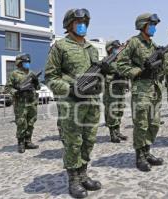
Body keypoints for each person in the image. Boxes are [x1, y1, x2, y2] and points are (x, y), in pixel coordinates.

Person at [45, 9, 102, 198]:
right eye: (78, 21)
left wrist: (106, 73)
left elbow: (99, 77)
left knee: (89, 140)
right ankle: (74, 180)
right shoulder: (60, 47)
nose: (82, 24)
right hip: (71, 104)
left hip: (92, 102)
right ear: (69, 24)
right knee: (73, 142)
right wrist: (69, 89)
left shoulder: (92, 49)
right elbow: (50, 77)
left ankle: (83, 173)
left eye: (85, 21)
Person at [116, 13, 164, 172]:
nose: (154, 27)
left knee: (154, 123)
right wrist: (137, 72)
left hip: (154, 88)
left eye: (155, 25)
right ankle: (140, 155)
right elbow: (121, 64)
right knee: (141, 124)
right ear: (142, 25)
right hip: (141, 90)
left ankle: (147, 150)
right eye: (151, 24)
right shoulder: (134, 43)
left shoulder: (153, 45)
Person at [5, 53, 40, 153]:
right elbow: (7, 88)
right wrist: (17, 91)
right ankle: (21, 143)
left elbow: (38, 88)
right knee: (21, 123)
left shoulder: (32, 73)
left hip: (32, 103)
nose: (27, 64)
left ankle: (28, 141)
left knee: (31, 122)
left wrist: (37, 82)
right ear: (19, 63)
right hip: (21, 103)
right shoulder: (14, 74)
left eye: (28, 62)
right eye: (25, 62)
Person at [103, 40, 128, 143]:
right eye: (115, 48)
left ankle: (117, 131)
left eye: (118, 48)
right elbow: (117, 70)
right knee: (112, 111)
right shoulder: (107, 61)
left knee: (119, 110)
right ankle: (112, 133)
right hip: (112, 89)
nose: (117, 50)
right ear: (110, 49)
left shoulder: (119, 61)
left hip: (120, 89)